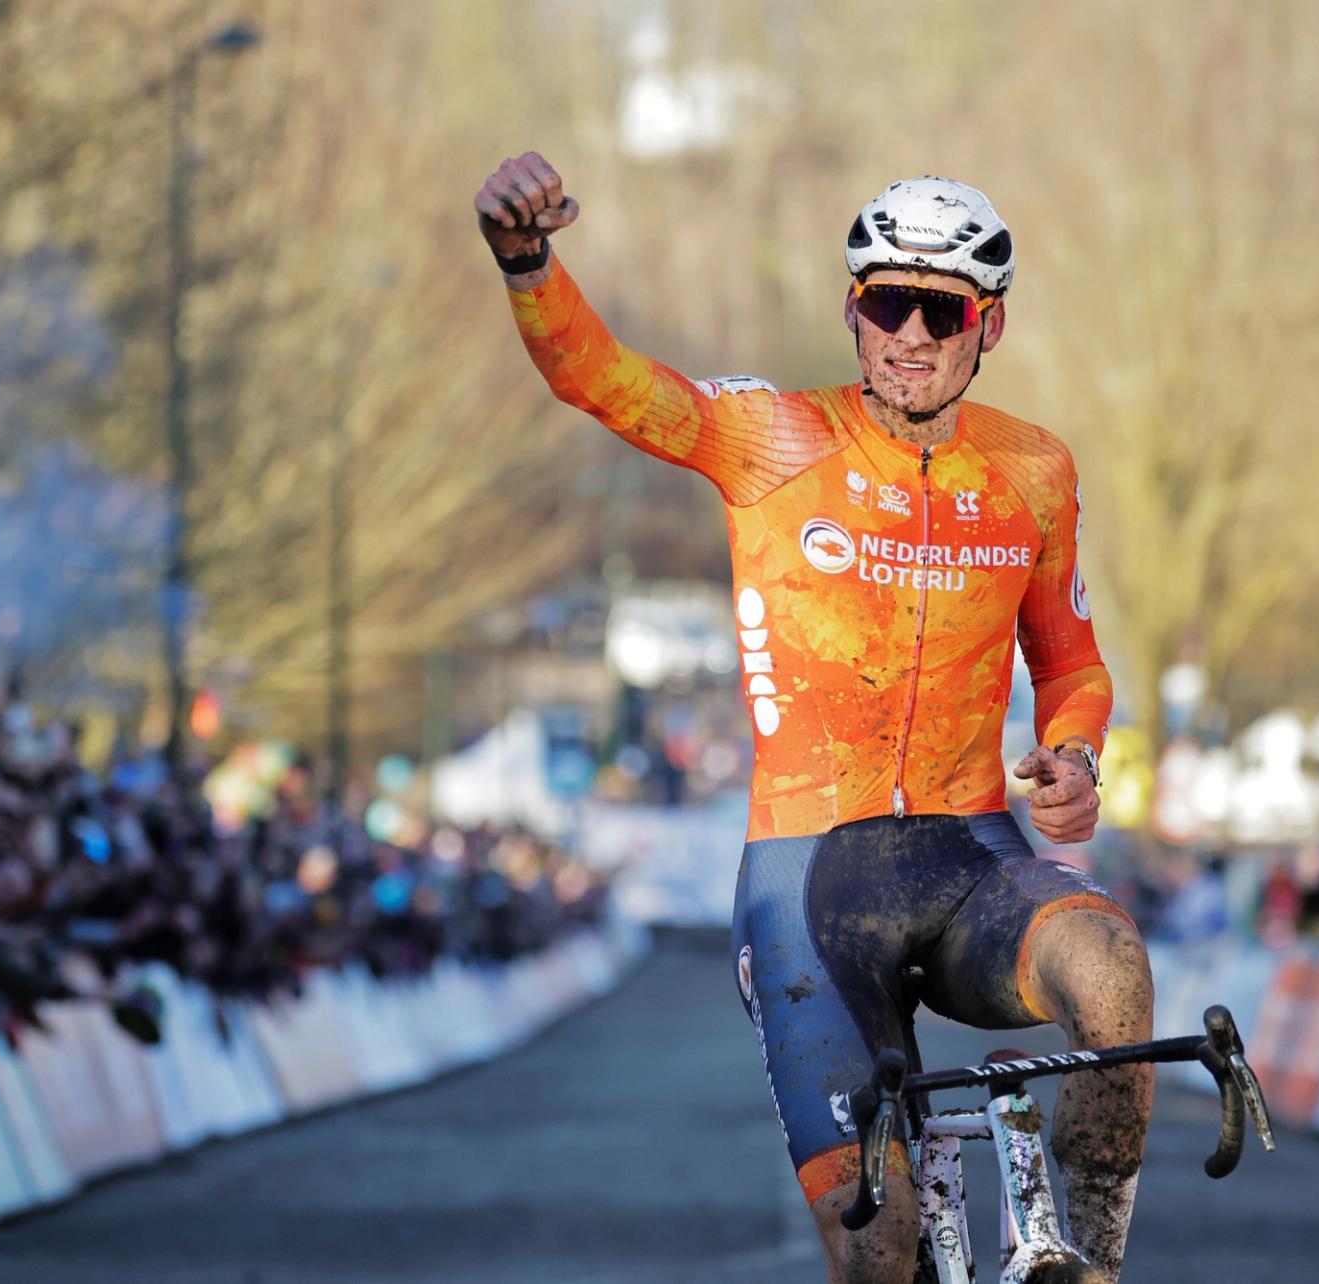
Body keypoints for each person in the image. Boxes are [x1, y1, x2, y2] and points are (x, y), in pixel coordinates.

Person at [478, 154, 1153, 1281]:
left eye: (943, 312)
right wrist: (527, 262)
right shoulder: (775, 439)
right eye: (888, 304)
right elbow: (597, 376)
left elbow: (1072, 660)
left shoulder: (1033, 469)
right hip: (809, 883)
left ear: (989, 325)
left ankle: (1090, 1265)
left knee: (1117, 974)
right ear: (854, 310)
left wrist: (1076, 748)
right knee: (876, 1257)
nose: (912, 335)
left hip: (973, 856)